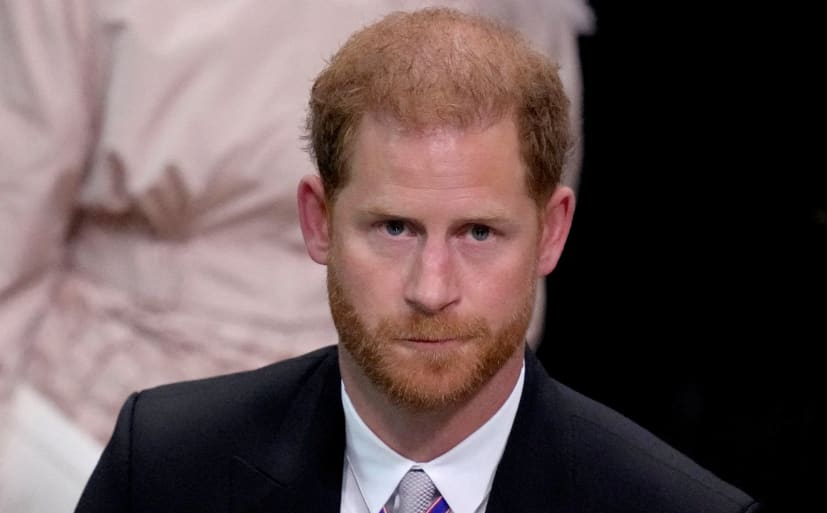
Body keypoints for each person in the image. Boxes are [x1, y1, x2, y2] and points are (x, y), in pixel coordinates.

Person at [73, 7, 761, 512]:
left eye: (479, 233)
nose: (431, 289)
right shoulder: (162, 468)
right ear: (318, 221)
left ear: (553, 233)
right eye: (395, 227)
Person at [0, 1, 592, 511]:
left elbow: (517, 196)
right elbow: (17, 198)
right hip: (92, 424)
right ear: (317, 219)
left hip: (401, 422)